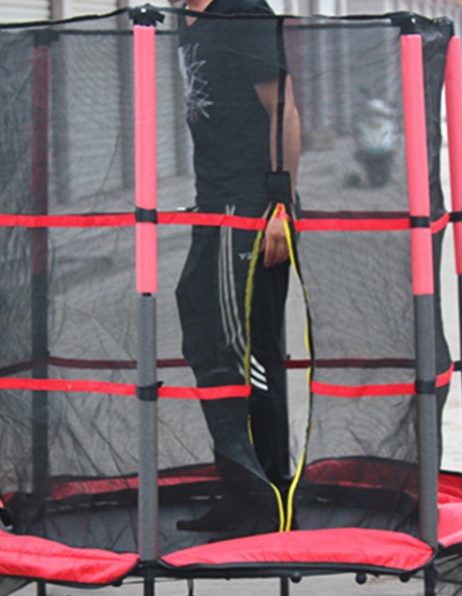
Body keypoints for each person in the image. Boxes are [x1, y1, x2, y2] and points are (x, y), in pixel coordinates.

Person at [173, 0, 301, 532]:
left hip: (247, 205)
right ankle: (246, 488)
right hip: (214, 202)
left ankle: (262, 499)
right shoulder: (186, 17)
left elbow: (283, 110)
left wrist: (280, 206)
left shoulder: (240, 11)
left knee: (240, 349)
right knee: (208, 336)